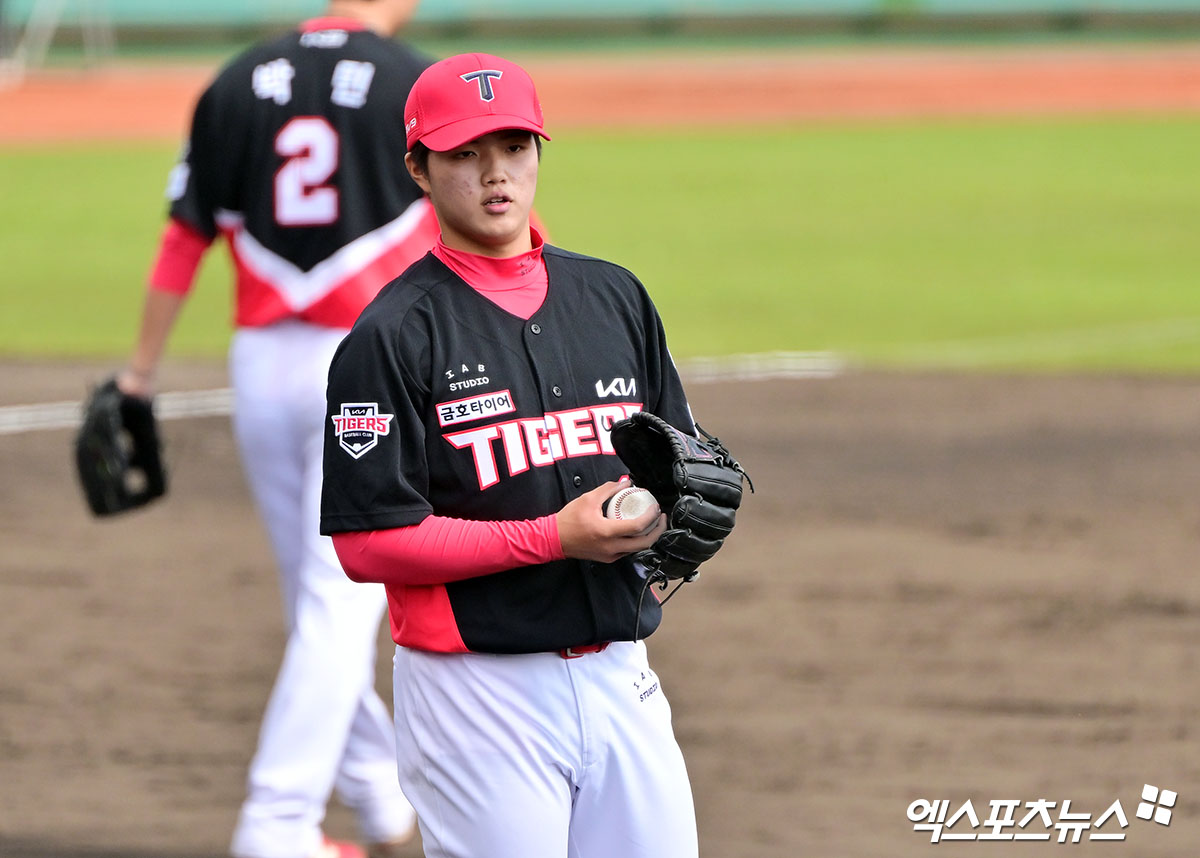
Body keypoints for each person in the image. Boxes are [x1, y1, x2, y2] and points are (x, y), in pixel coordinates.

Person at [320, 53, 701, 858]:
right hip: (475, 695)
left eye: (515, 147)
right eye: (465, 153)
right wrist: (551, 537)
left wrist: (682, 507)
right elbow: (366, 543)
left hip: (621, 673)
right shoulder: (392, 335)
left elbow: (682, 462)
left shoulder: (614, 297)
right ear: (418, 169)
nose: (496, 174)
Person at [116, 3, 437, 857]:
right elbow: (482, 219)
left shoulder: (237, 79)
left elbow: (184, 237)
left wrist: (140, 373)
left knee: (316, 600)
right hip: (367, 363)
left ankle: (376, 792)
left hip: (261, 365)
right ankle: (278, 824)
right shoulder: (414, 82)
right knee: (338, 604)